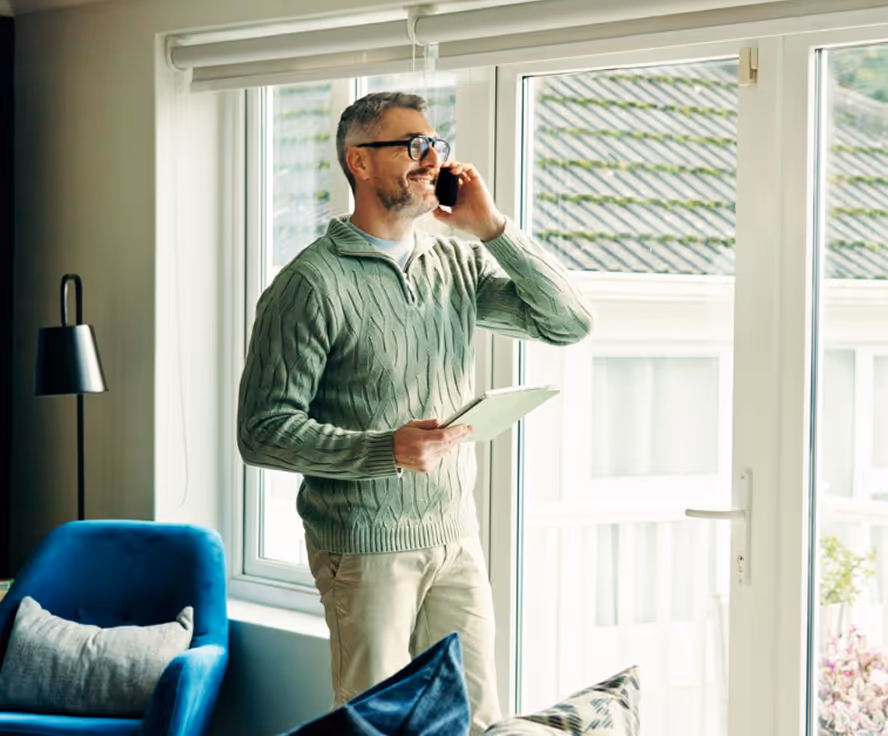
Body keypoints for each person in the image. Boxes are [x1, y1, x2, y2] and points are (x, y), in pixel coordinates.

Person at [237, 91, 594, 734]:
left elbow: (568, 323)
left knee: (478, 722)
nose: (431, 159)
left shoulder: (456, 262)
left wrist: (493, 229)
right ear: (359, 161)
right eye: (412, 145)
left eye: (435, 145)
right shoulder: (309, 284)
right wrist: (386, 450)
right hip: (365, 547)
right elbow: (262, 432)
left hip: (455, 535)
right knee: (375, 725)